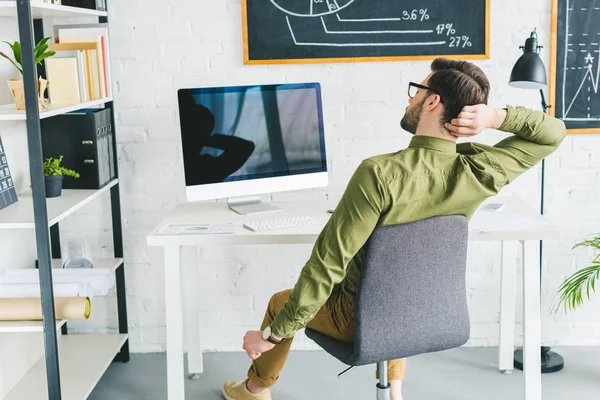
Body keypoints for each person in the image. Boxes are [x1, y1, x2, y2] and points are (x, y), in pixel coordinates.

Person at [222, 58, 566, 400]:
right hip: (427, 314)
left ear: (433, 102)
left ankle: (254, 390)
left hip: (360, 319)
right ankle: (394, 392)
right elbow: (553, 133)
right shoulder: (480, 169)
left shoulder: (380, 173)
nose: (410, 98)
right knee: (395, 283)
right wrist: (496, 118)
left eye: (417, 91)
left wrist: (272, 335)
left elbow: (327, 264)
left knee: (282, 301)